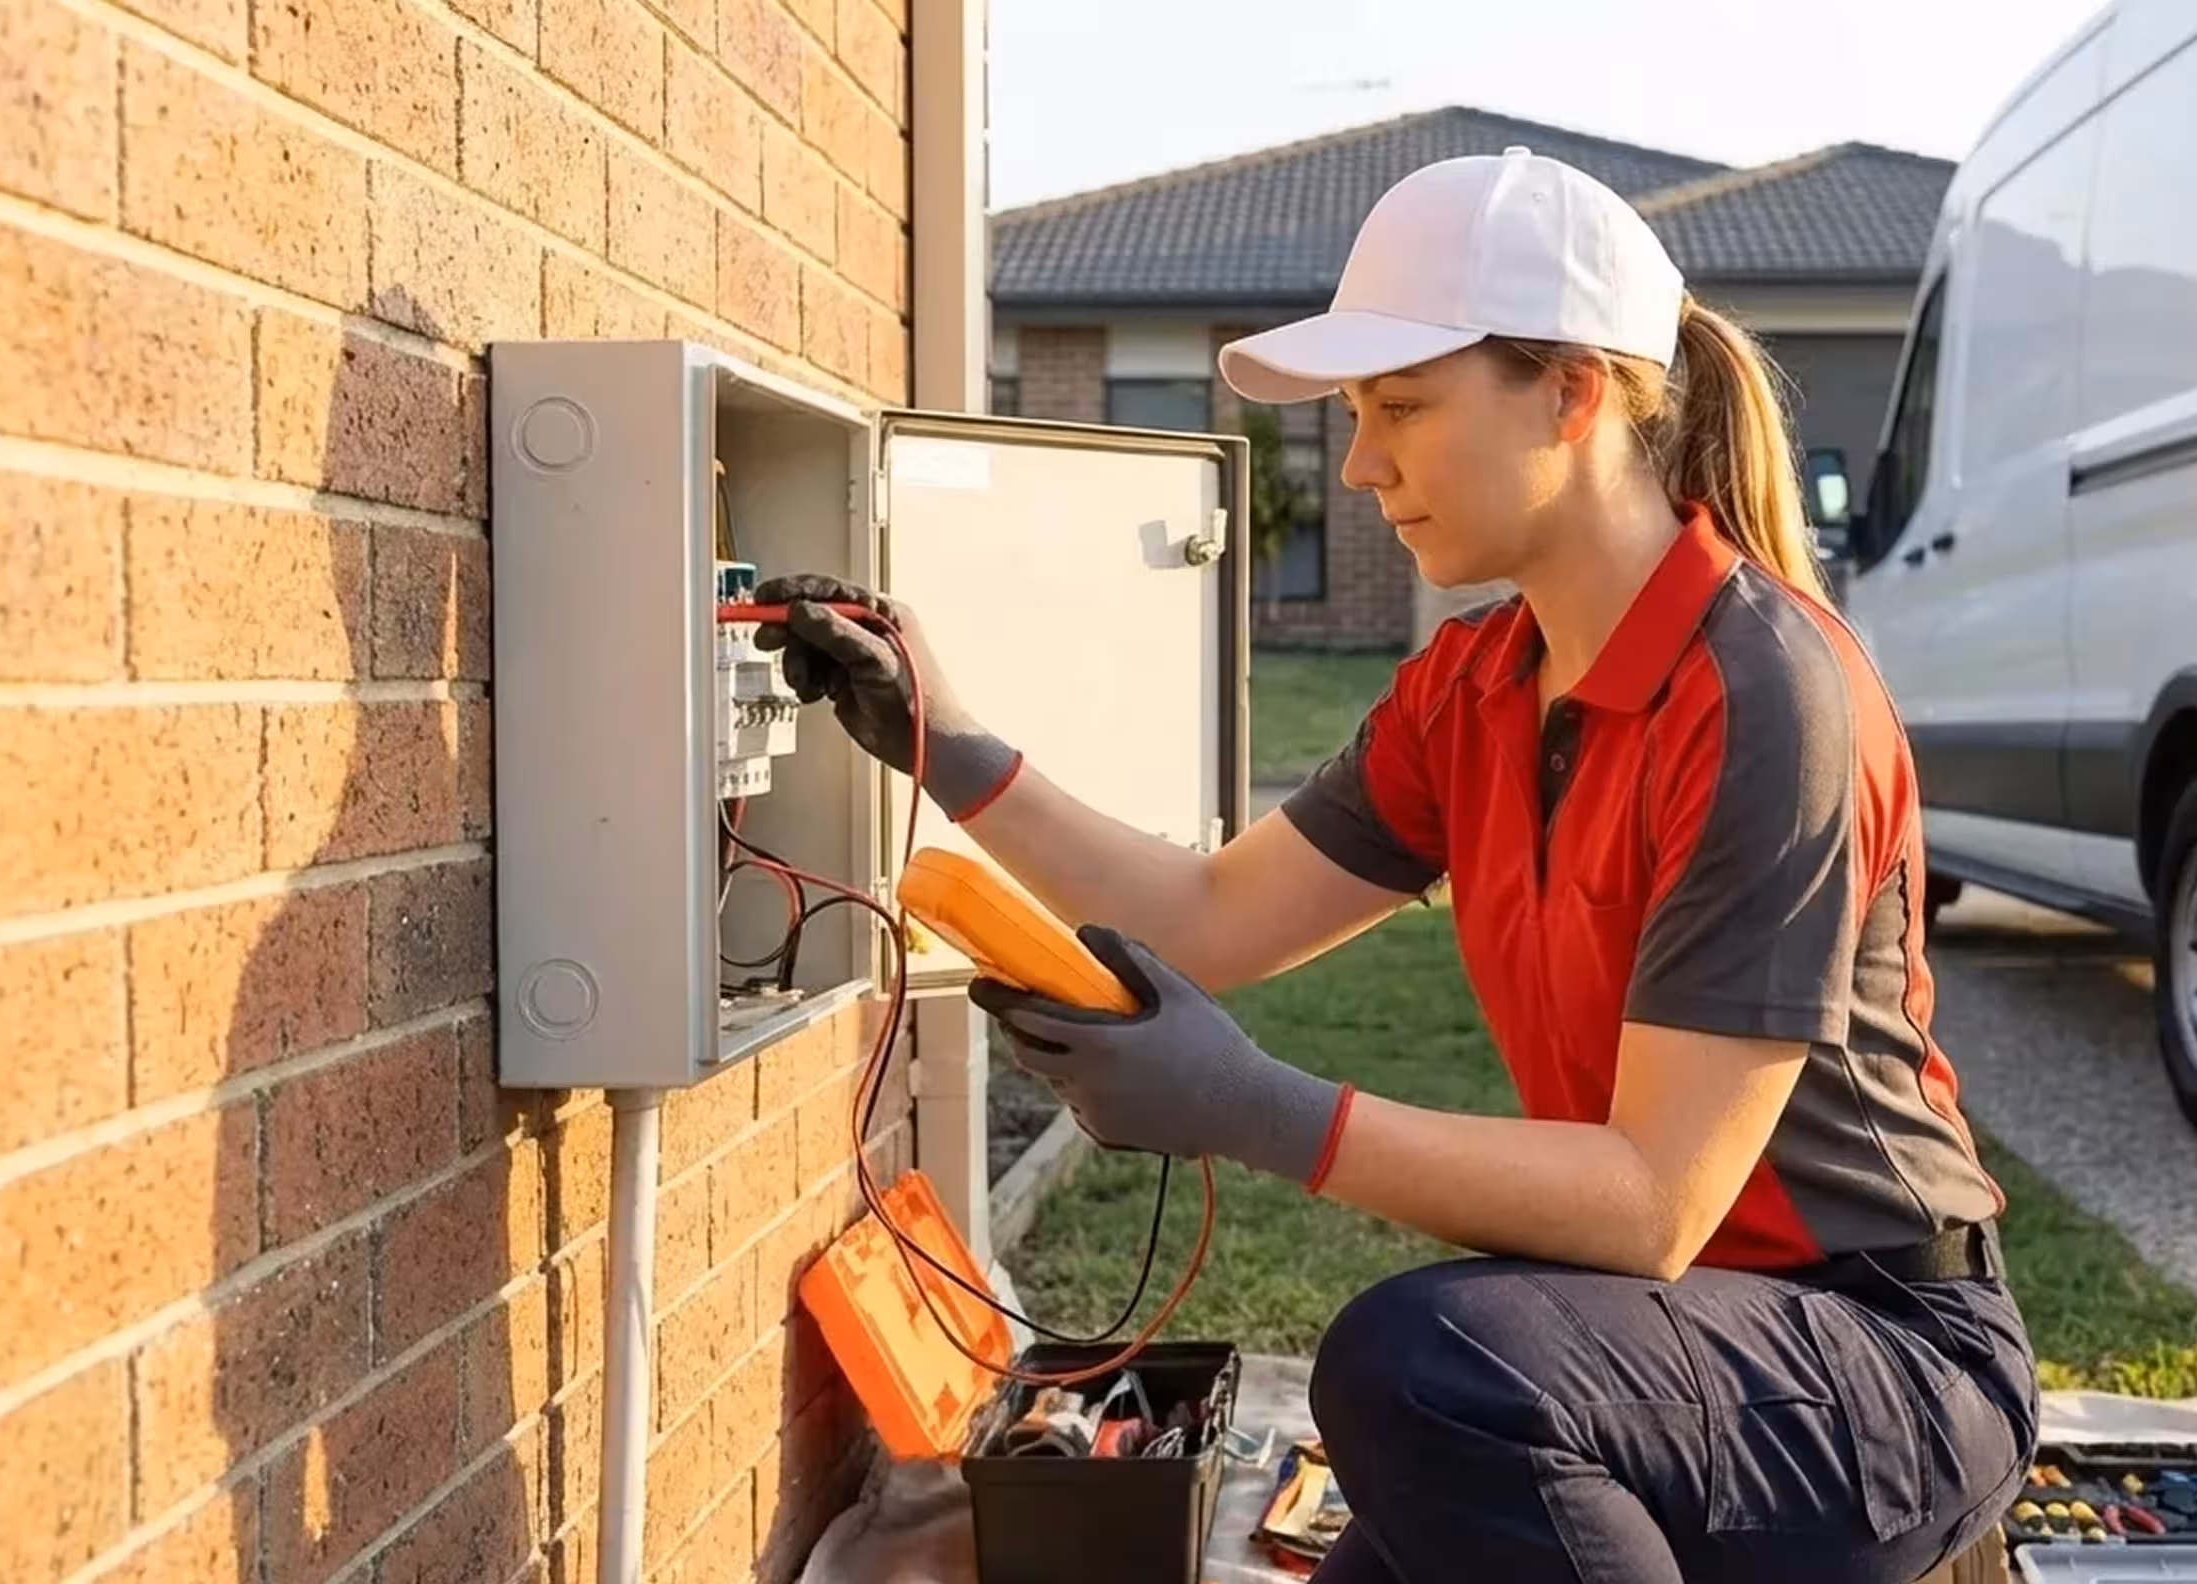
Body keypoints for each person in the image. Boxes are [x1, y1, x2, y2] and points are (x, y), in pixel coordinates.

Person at [751, 148, 2039, 1583]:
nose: (1362, 465)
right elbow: (1209, 917)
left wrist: (1256, 1105)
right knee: (1426, 1417)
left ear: (1573, 391)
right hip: (1668, 1344)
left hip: (1882, 1361)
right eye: (1360, 417)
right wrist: (949, 747)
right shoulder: (1476, 687)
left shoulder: (1766, 700)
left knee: (1421, 1369)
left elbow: (1654, 1198)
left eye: (1403, 409)